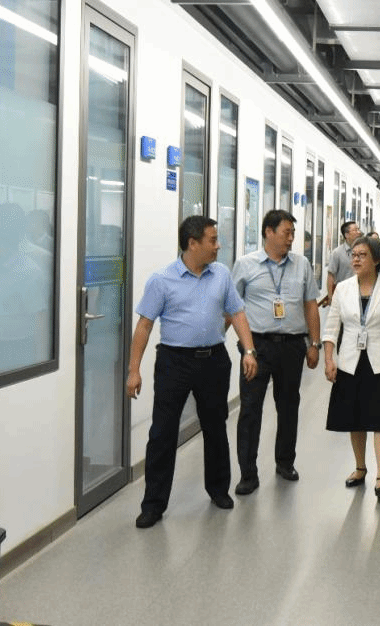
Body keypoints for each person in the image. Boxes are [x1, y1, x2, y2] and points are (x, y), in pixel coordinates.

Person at [127, 216, 257, 528]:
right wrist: (134, 370)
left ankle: (218, 490)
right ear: (192, 243)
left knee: (215, 427)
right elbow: (144, 326)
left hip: (213, 360)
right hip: (174, 362)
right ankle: (153, 504)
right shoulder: (162, 280)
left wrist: (249, 351)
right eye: (213, 240)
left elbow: (237, 312)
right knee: (163, 432)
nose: (218, 245)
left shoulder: (221, 274)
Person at [231, 209, 321, 495]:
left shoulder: (301, 264)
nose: (291, 239)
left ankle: (285, 463)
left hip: (292, 346)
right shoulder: (245, 265)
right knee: (250, 409)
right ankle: (248, 473)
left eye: (293, 233)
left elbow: (310, 305)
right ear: (268, 232)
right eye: (287, 233)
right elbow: (233, 307)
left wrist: (314, 344)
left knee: (289, 406)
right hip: (257, 346)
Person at [323, 236, 380, 500]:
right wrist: (329, 359)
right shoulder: (342, 289)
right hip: (350, 361)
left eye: (362, 255)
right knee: (356, 418)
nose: (356, 259)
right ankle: (360, 467)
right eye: (353, 255)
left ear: (376, 259)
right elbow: (331, 328)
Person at [323, 220, 363, 308]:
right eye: (355, 230)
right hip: (343, 295)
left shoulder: (364, 251)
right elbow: (331, 276)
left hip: (361, 294)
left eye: (358, 229)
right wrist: (330, 297)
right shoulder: (337, 253)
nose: (359, 232)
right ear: (347, 235)